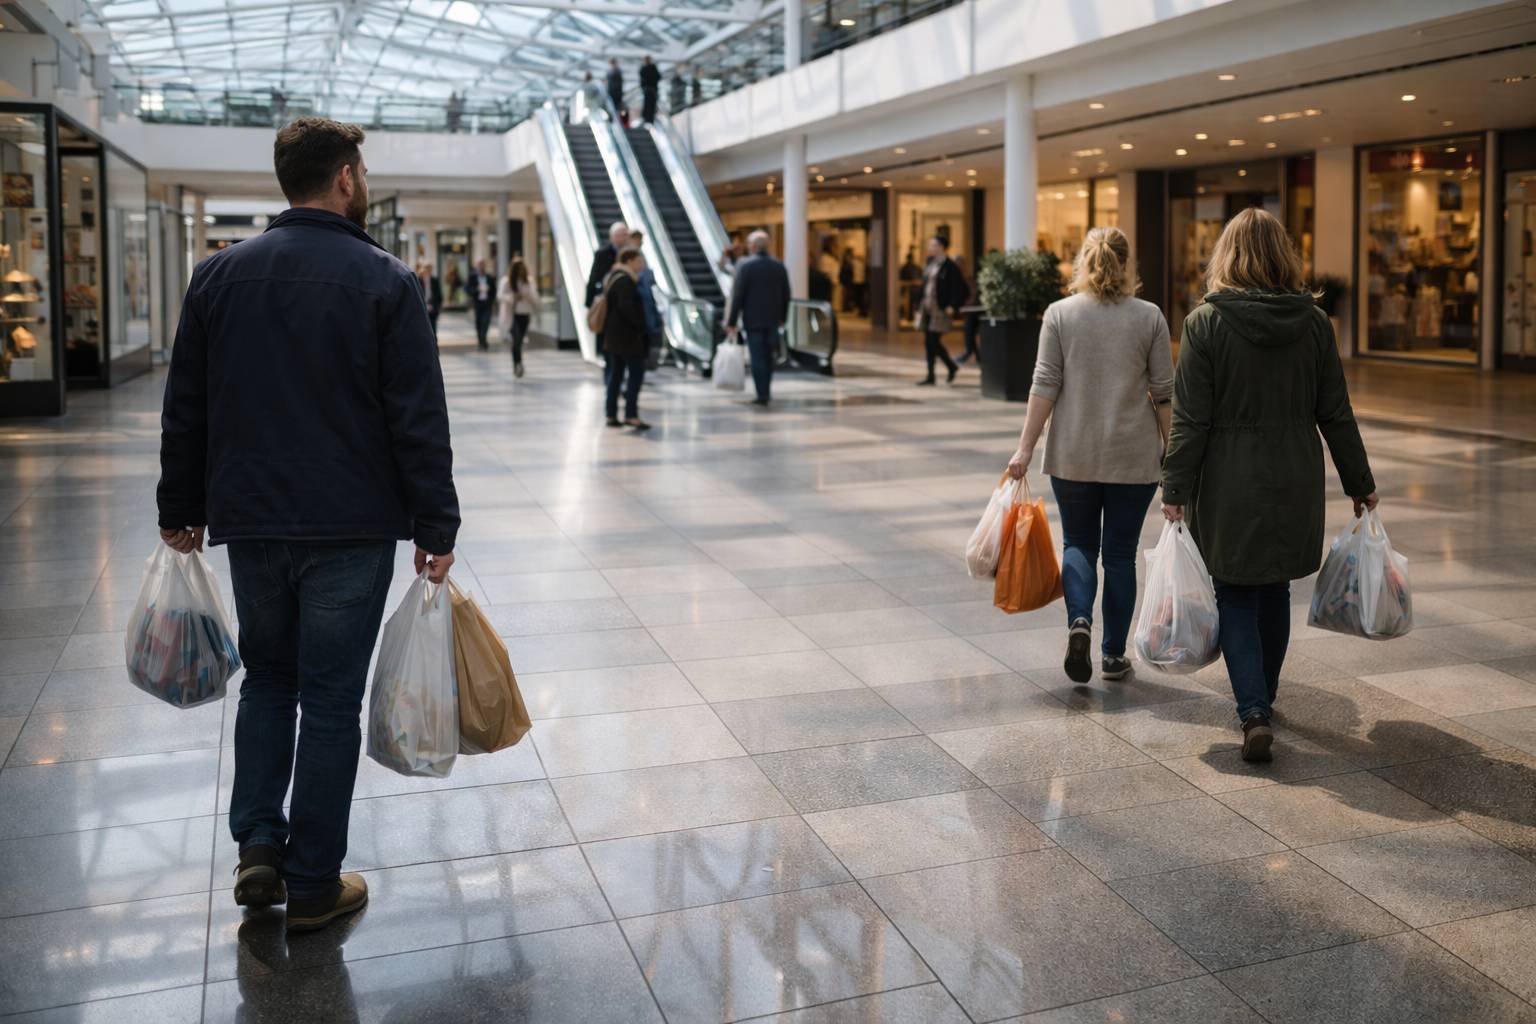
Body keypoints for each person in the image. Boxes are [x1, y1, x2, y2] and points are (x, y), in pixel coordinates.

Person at [157, 117, 459, 933]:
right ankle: (316, 883)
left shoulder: (218, 277)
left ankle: (259, 845)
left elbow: (187, 405)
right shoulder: (387, 282)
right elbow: (416, 417)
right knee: (329, 699)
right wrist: (436, 523)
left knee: (269, 679)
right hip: (351, 524)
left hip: (252, 520)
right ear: (347, 177)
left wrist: (179, 506)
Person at [1161, 207, 1377, 763]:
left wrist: (1174, 488)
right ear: (1284, 256)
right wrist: (1360, 482)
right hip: (1294, 476)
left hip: (1229, 479)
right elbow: (1336, 412)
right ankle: (1265, 696)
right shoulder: (1314, 325)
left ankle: (1253, 711)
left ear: (1225, 255)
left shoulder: (1204, 324)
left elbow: (1190, 420)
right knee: (1274, 587)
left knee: (1234, 590)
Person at [1005, 227, 1172, 684]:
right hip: (1132, 456)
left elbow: (1044, 383)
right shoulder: (1150, 317)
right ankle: (1113, 656)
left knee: (1078, 543)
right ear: (1127, 264)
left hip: (1072, 453)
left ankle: (1079, 619)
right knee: (1119, 555)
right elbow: (1164, 393)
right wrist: (1173, 454)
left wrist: (1024, 448)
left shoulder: (1059, 314)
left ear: (1083, 261)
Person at [726, 230, 792, 406]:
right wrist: (783, 317)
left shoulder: (746, 266)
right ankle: (766, 391)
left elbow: (738, 296)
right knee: (769, 356)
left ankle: (762, 394)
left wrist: (731, 321)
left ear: (753, 246)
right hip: (773, 319)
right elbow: (786, 294)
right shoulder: (779, 266)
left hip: (753, 320)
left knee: (757, 357)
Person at [600, 247, 650, 430]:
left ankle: (611, 414)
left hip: (615, 337)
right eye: (639, 261)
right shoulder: (625, 280)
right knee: (635, 374)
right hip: (627, 337)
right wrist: (640, 326)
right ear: (629, 261)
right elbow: (625, 307)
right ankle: (631, 415)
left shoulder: (614, 277)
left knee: (616, 375)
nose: (641, 265)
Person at [917, 235, 965, 385]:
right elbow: (925, 285)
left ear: (941, 247)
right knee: (929, 342)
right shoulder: (929, 263)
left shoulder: (950, 266)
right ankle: (936, 373)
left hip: (940, 310)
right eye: (930, 245)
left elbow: (960, 288)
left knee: (932, 341)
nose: (930, 248)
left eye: (933, 245)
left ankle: (946, 369)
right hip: (927, 308)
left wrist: (953, 305)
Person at [629, 230, 664, 368]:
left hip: (647, 305)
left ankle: (645, 360)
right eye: (638, 239)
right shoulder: (628, 262)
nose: (640, 242)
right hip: (639, 308)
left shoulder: (641, 257)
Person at [498, 257, 536, 377]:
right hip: (511, 315)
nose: (520, 271)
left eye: (522, 268)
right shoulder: (506, 282)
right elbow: (500, 296)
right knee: (517, 340)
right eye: (517, 269)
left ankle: (518, 363)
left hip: (524, 314)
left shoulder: (528, 281)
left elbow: (534, 297)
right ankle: (517, 364)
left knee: (519, 342)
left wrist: (525, 294)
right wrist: (512, 297)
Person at [586, 221, 628, 309]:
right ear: (613, 237)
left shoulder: (631, 253)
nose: (625, 238)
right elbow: (594, 277)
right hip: (610, 299)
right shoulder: (602, 254)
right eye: (621, 235)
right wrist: (589, 303)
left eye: (626, 234)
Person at [955, 254, 982, 366]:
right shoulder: (960, 277)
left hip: (973, 310)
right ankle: (977, 357)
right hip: (969, 309)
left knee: (969, 331)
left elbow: (973, 294)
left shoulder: (967, 278)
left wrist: (967, 304)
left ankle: (969, 353)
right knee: (969, 332)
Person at [466, 258, 496, 349]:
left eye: (483, 264)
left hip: (487, 303)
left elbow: (494, 290)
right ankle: (480, 340)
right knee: (478, 322)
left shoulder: (489, 277)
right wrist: (476, 289)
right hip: (477, 303)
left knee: (486, 321)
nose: (481, 266)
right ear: (477, 266)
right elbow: (467, 289)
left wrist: (492, 300)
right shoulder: (472, 277)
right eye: (479, 265)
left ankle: (483, 338)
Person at [416, 262, 442, 338]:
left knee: (433, 331)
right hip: (422, 310)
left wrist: (434, 306)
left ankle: (434, 344)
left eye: (430, 270)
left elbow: (439, 296)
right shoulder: (418, 280)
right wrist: (425, 306)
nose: (428, 272)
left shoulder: (435, 281)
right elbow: (417, 296)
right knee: (423, 331)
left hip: (433, 310)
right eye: (427, 270)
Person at [639, 55, 661, 124]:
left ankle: (647, 119)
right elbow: (658, 77)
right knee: (651, 104)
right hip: (652, 89)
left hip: (647, 90)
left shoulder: (643, 69)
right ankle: (650, 119)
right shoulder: (653, 68)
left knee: (647, 104)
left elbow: (642, 81)